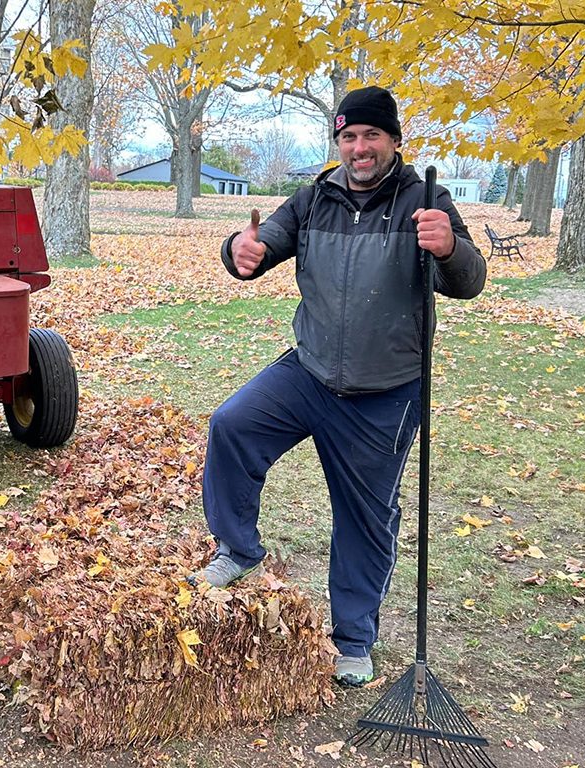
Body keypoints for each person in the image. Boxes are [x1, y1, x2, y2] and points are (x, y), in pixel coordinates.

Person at [188, 86, 487, 687]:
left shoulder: (424, 200)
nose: (359, 147)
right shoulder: (313, 200)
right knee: (233, 425)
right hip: (311, 372)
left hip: (386, 391)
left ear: (394, 141)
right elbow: (259, 245)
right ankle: (239, 547)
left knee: (363, 518)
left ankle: (352, 640)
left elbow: (470, 278)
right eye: (348, 137)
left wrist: (449, 247)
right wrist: (237, 250)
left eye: (371, 136)